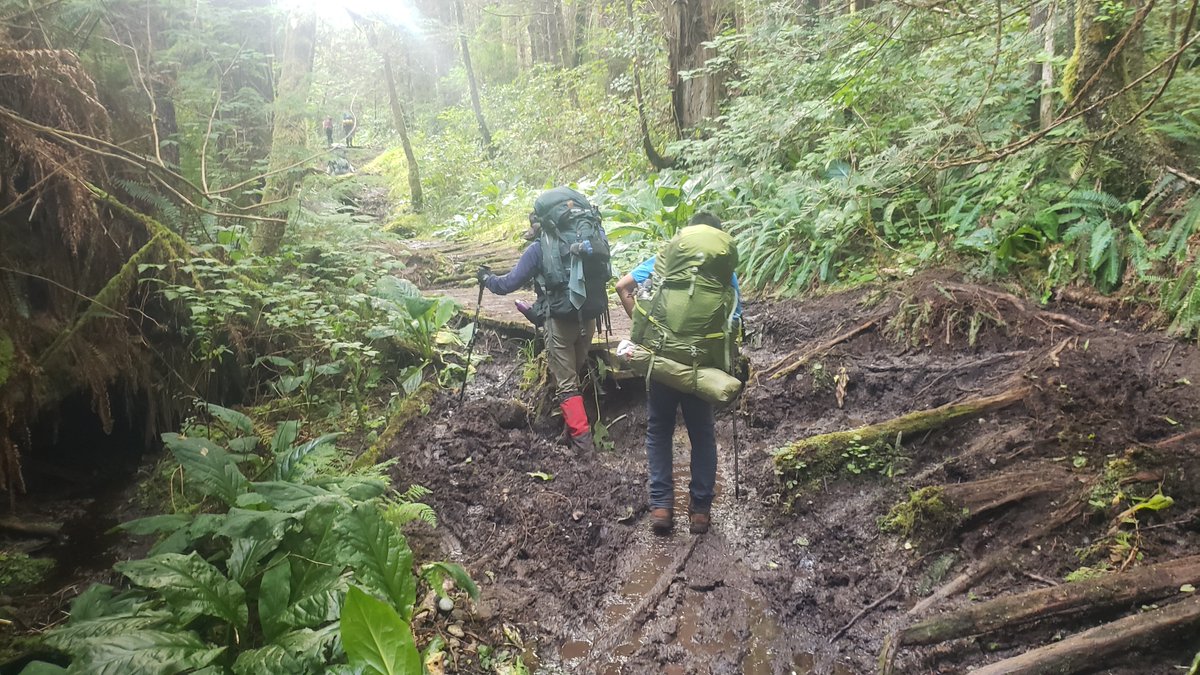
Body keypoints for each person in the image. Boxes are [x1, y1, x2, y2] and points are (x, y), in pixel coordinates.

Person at [615, 212, 741, 536]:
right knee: (702, 434)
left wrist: (648, 334)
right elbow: (735, 320)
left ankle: (661, 507)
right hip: (702, 366)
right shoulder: (724, 270)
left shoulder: (668, 260)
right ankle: (699, 513)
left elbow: (623, 286)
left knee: (659, 430)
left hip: (662, 363)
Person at [478, 187, 611, 452]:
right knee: (574, 373)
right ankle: (571, 431)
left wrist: (486, 280)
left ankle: (584, 447)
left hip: (560, 321)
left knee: (566, 384)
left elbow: (508, 284)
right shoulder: (588, 235)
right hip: (590, 317)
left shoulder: (540, 248)